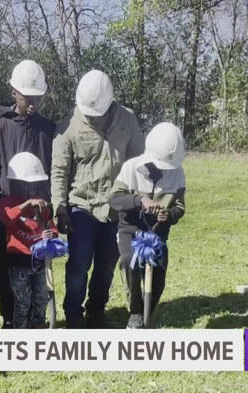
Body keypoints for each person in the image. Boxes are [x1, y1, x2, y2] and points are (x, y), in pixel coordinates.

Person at [52, 69, 145, 328]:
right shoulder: (68, 125)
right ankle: (73, 316)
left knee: (106, 266)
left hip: (116, 209)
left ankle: (96, 312)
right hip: (81, 206)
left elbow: (139, 163)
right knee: (79, 267)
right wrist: (59, 207)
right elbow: (59, 170)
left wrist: (139, 202)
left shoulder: (127, 121)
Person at [0, 59, 55, 328]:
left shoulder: (48, 130)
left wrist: (50, 206)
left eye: (38, 96)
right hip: (8, 219)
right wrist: (3, 204)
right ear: (14, 93)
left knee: (38, 272)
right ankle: (10, 320)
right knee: (7, 270)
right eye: (27, 96)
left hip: (40, 218)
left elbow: (56, 172)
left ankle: (38, 320)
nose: (33, 102)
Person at [109, 123, 186, 329]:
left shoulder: (177, 172)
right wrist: (139, 201)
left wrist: (168, 214)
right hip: (130, 231)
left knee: (158, 274)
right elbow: (114, 199)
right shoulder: (130, 168)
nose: (163, 170)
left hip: (158, 233)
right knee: (129, 262)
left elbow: (180, 207)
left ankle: (147, 313)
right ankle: (135, 311)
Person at [0, 152, 59, 328]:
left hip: (40, 263)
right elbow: (7, 218)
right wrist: (25, 205)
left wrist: (51, 235)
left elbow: (51, 227)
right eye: (26, 185)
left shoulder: (42, 205)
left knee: (41, 298)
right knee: (22, 302)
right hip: (18, 264)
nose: (30, 190)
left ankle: (38, 327)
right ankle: (20, 331)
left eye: (34, 185)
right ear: (15, 184)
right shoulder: (7, 203)